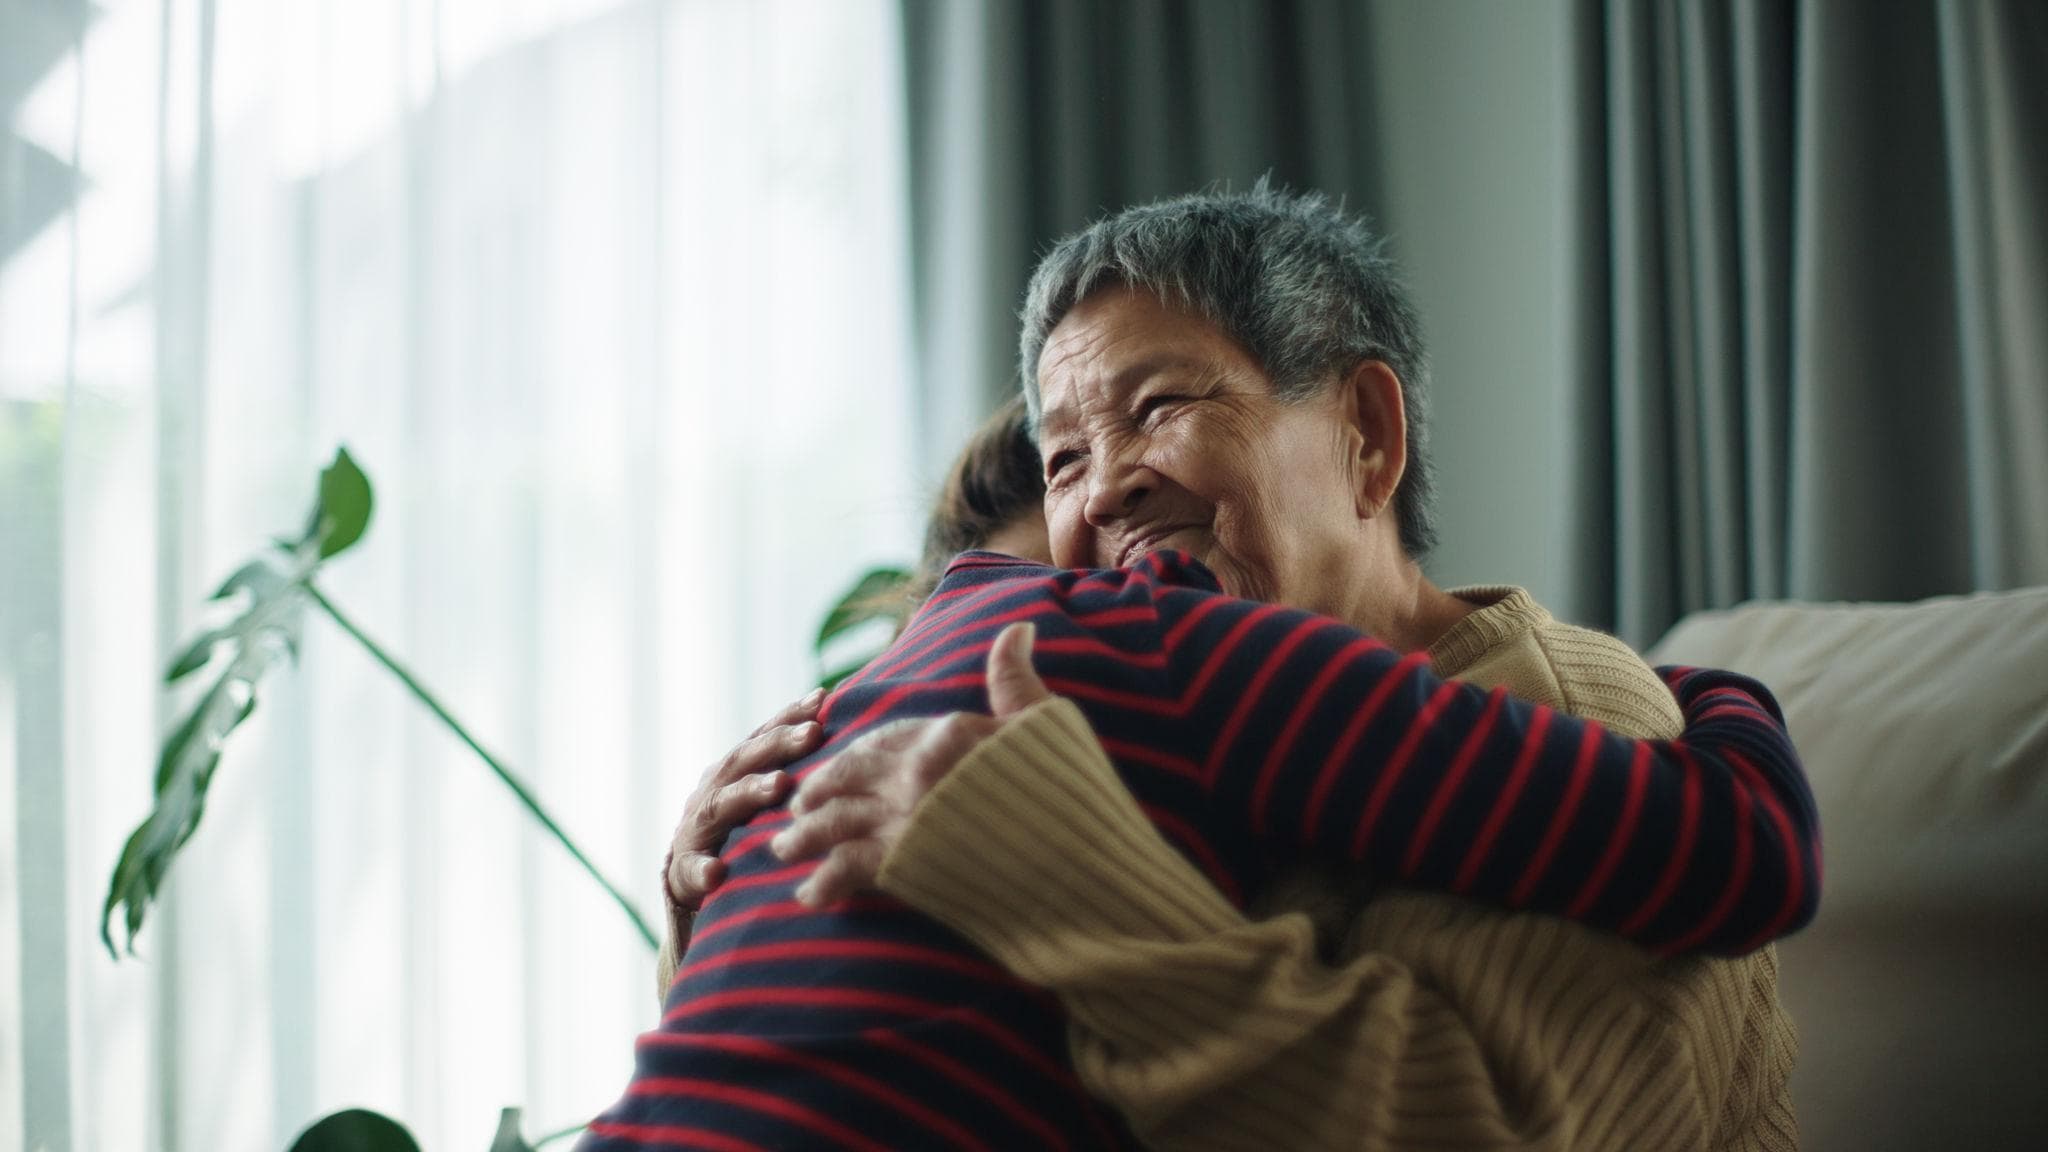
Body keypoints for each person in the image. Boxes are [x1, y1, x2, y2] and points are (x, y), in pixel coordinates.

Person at [656, 188, 1807, 1151]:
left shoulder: (1562, 715)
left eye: (1158, 406)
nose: (1103, 489)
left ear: (1365, 431)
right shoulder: (1159, 724)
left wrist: (1057, 884)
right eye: (1063, 458)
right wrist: (726, 885)